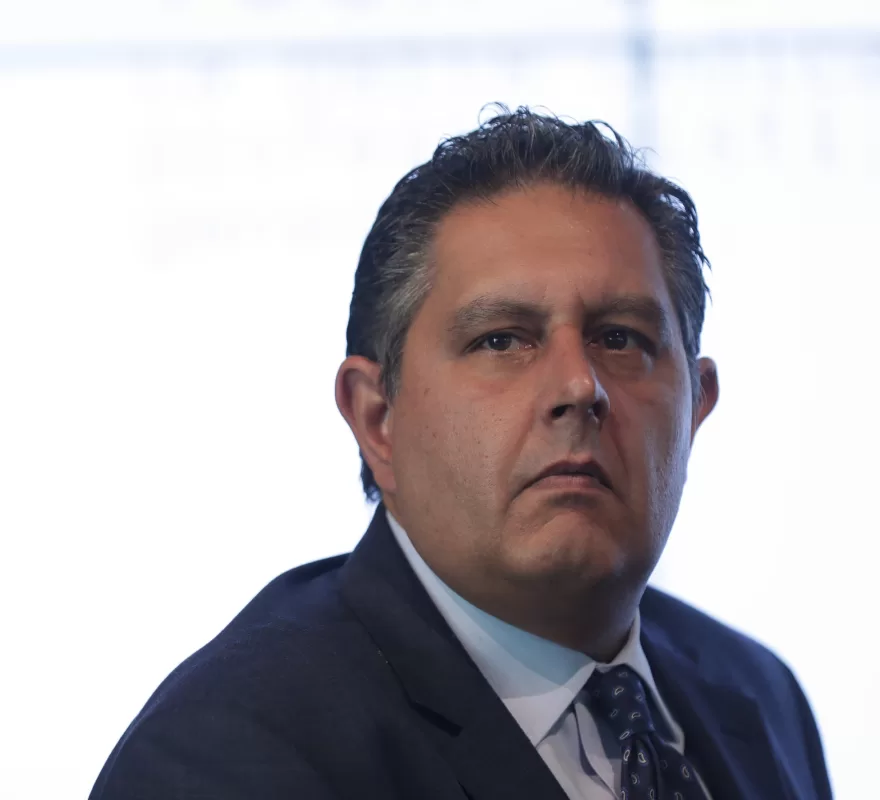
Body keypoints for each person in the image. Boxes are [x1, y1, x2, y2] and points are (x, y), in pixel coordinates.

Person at [89, 108, 833, 800]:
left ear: (695, 408)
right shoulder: (225, 755)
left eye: (621, 338)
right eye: (501, 340)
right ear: (378, 419)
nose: (581, 387)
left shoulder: (759, 695)